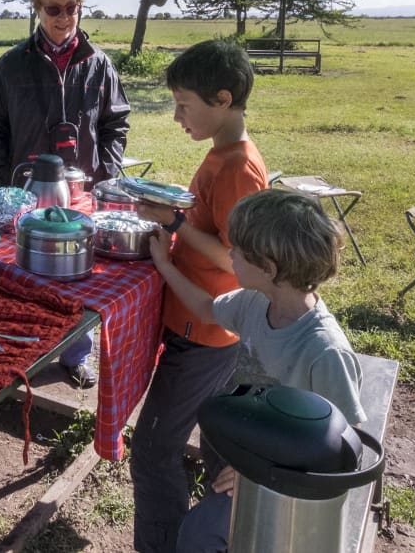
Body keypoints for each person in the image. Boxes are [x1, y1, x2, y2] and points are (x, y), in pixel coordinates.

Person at [154, 189, 365, 552]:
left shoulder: (324, 351)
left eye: (237, 250)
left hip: (284, 487)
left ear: (268, 268)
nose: (229, 254)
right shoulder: (256, 302)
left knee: (199, 533)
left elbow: (343, 450)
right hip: (240, 456)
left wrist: (268, 476)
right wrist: (165, 265)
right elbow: (207, 309)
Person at [130, 39, 268, 553]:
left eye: (184, 105)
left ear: (223, 99)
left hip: (206, 333)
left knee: (152, 448)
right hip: (204, 326)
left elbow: (235, 259)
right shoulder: (221, 156)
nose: (176, 116)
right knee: (217, 446)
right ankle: (220, 536)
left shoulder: (238, 168)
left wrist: (174, 221)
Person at [0, 0, 130, 386]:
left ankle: (74, 356)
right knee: (25, 272)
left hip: (81, 190)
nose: (64, 18)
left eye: (72, 7)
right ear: (36, 8)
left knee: (76, 273)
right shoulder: (10, 66)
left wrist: (104, 175)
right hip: (24, 192)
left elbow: (115, 123)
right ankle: (24, 349)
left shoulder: (99, 64)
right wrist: (4, 181)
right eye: (53, 9)